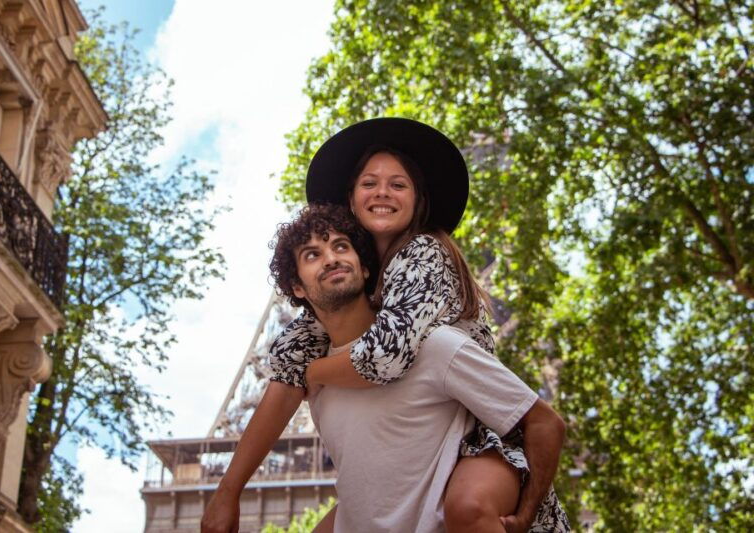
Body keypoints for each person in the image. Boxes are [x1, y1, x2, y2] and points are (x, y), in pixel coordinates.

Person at [269, 118, 570, 531]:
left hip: (472, 435)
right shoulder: (355, 275)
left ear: (418, 200)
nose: (383, 192)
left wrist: (314, 372)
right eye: (370, 183)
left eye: (398, 184)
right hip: (412, 443)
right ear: (351, 200)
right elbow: (289, 354)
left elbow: (384, 356)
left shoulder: (425, 251)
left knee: (468, 506)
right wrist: (230, 489)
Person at [201, 204, 566, 533]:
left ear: (365, 267)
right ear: (296, 287)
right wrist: (227, 493)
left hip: (478, 477)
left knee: (469, 506)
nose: (330, 258)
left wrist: (526, 513)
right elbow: (281, 395)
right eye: (313, 254)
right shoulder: (305, 363)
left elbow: (544, 422)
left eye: (341, 246)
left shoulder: (433, 344)